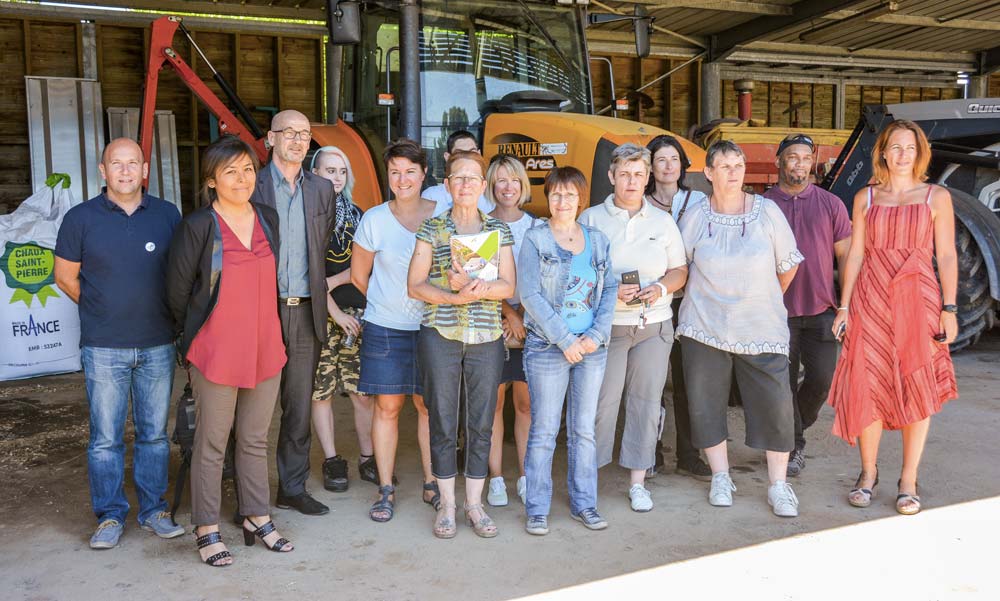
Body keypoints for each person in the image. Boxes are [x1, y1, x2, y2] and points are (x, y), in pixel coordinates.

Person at [166, 136, 292, 566]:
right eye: (230, 171)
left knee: (255, 439)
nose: (242, 179)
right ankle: (206, 527)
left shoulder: (268, 218)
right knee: (212, 442)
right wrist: (191, 343)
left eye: (248, 170)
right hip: (217, 349)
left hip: (265, 346)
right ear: (211, 181)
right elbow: (178, 293)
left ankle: (256, 516)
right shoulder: (198, 226)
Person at [54, 138, 183, 550]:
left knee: (154, 435)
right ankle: (109, 516)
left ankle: (153, 510)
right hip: (104, 345)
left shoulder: (167, 215)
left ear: (145, 170)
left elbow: (180, 276)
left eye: (133, 164)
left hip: (157, 344)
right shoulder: (80, 218)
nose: (125, 171)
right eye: (117, 164)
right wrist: (101, 307)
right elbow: (65, 278)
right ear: (102, 170)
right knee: (105, 438)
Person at [828, 120, 958, 515]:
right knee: (868, 381)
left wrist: (949, 309)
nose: (902, 154)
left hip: (917, 298)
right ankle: (868, 474)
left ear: (920, 154)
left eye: (910, 148)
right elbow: (856, 254)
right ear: (882, 152)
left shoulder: (936, 197)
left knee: (916, 382)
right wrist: (845, 306)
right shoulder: (866, 198)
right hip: (871, 297)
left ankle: (908, 479)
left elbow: (948, 255)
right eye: (895, 147)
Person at [676, 139, 803, 518]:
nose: (733, 172)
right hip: (704, 324)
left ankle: (778, 485)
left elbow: (789, 264)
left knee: (776, 404)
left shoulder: (767, 212)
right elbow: (680, 265)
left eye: (738, 165)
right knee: (705, 401)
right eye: (725, 165)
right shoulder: (696, 215)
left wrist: (760, 298)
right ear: (709, 173)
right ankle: (720, 476)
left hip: (760, 325)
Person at [407, 150, 515, 539]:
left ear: (482, 186)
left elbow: (509, 285)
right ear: (448, 184)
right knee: (442, 418)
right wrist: (453, 295)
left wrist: (480, 288)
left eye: (473, 178)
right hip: (442, 333)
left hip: (486, 336)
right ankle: (448, 505)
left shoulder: (498, 232)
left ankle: (475, 503)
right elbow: (414, 285)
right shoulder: (431, 229)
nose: (466, 184)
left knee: (482, 421)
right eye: (458, 178)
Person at [579, 143, 688, 513]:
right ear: (611, 177)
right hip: (606, 328)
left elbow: (679, 270)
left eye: (639, 174)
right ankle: (587, 480)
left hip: (653, 324)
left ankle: (638, 482)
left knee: (646, 403)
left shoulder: (663, 221)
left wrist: (659, 287)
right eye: (624, 173)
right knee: (601, 404)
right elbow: (577, 273)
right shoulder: (591, 219)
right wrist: (609, 287)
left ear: (648, 178)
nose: (631, 181)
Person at [520, 167, 617, 536]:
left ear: (581, 199)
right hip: (548, 347)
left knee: (583, 431)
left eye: (570, 195)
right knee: (544, 430)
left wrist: (595, 335)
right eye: (556, 194)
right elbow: (529, 295)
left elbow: (607, 291)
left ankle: (584, 504)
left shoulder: (598, 239)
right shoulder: (536, 239)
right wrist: (566, 340)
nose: (563, 201)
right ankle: (537, 508)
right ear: (549, 197)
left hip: (591, 348)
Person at [250, 110, 336, 516]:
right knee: (250, 407)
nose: (298, 141)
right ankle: (247, 494)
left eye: (305, 134)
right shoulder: (250, 183)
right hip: (258, 311)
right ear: (271, 138)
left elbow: (321, 253)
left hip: (304, 312)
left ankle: (292, 487)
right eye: (289, 133)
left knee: (298, 405)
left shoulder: (321, 189)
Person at [351, 138, 438, 522]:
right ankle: (385, 488)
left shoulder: (443, 214)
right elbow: (358, 275)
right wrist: (388, 303)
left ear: (423, 175)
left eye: (410, 172)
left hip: (434, 326)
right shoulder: (374, 219)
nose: (402, 179)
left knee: (428, 406)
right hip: (386, 327)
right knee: (387, 406)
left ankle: (434, 482)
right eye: (395, 172)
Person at [763, 134, 852, 477]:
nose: (798, 163)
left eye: (804, 157)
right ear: (779, 162)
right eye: (791, 157)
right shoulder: (764, 205)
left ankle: (789, 431)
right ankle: (792, 445)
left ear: (811, 163)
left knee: (821, 380)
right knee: (781, 384)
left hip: (821, 310)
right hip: (776, 313)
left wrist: (845, 305)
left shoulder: (831, 204)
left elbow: (846, 257)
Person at [307, 146, 377, 492]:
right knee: (321, 393)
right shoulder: (306, 215)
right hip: (318, 316)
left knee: (362, 393)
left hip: (356, 312)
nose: (336, 177)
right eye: (329, 170)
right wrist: (331, 311)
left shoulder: (360, 216)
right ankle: (333, 459)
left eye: (341, 171)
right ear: (314, 173)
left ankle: (368, 457)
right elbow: (304, 274)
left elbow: (366, 263)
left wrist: (333, 282)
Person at [643, 134, 711, 481]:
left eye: (673, 159)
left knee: (687, 383)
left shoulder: (697, 200)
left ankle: (689, 453)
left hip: (689, 304)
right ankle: (650, 452)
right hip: (653, 303)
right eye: (660, 160)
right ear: (650, 167)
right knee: (652, 383)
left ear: (682, 165)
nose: (668, 166)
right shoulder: (640, 203)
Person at [485, 155, 538, 507]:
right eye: (501, 181)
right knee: (493, 403)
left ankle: (524, 475)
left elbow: (539, 280)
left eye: (514, 181)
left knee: (526, 404)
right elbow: (481, 277)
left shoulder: (537, 227)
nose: (508, 187)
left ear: (523, 186)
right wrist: (508, 313)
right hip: (491, 320)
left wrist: (520, 315)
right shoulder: (481, 225)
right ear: (491, 185)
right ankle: (496, 479)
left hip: (530, 320)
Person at [422, 130, 495, 215]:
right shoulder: (431, 196)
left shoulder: (490, 197)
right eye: (459, 153)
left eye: (472, 152)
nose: (467, 158)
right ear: (447, 157)